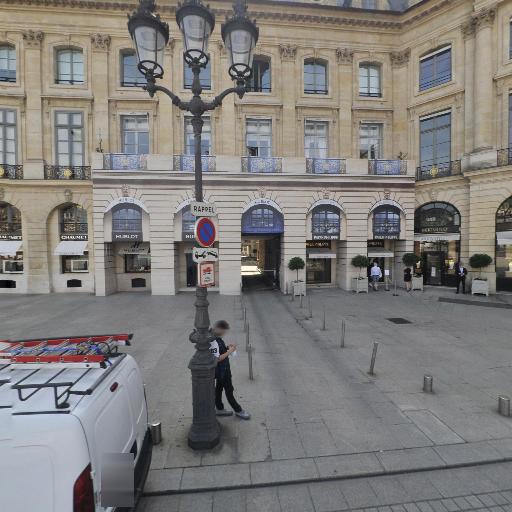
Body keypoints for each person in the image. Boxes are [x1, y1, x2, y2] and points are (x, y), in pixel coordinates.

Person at [210, 320, 251, 420]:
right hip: (222, 370)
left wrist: (226, 347)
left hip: (219, 370)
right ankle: (238, 410)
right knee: (229, 390)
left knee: (219, 389)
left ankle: (219, 408)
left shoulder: (213, 336)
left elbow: (217, 351)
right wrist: (230, 351)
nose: (224, 333)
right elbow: (217, 358)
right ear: (219, 329)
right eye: (224, 331)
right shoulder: (213, 340)